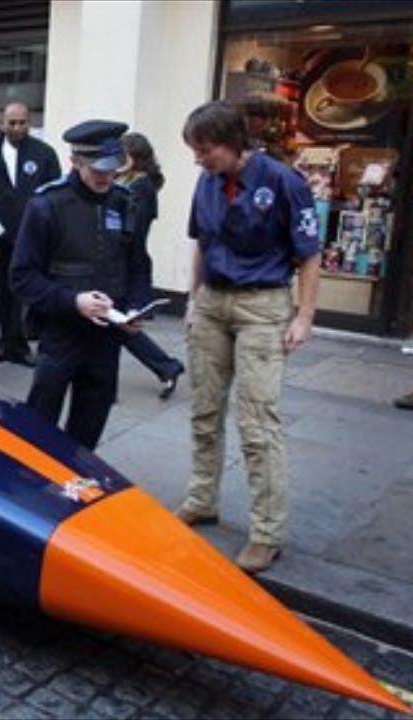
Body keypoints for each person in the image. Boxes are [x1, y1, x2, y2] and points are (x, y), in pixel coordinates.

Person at [174, 101, 322, 574]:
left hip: (263, 307)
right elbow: (202, 242)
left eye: (204, 149)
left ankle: (267, 532)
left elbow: (309, 254)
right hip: (213, 303)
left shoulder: (283, 181)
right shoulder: (207, 181)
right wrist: (193, 298)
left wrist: (304, 317)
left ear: (232, 142)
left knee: (257, 423)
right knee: (204, 410)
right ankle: (202, 499)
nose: (198, 159)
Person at [11, 120, 152, 450]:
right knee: (39, 428)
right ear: (75, 161)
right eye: (98, 169)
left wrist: (136, 305)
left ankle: (77, 479)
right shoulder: (47, 204)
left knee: (89, 428)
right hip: (61, 334)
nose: (106, 177)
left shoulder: (124, 201)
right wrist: (73, 301)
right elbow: (22, 276)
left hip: (106, 338)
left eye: (112, 169)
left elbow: (138, 264)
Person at [0, 102, 61, 367]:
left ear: (29, 123)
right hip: (0, 237)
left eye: (22, 122)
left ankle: (22, 344)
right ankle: (7, 343)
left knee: (28, 292)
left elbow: (54, 192)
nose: (17, 127)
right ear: (2, 123)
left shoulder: (43, 153)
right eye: (12, 123)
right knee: (3, 292)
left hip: (33, 235)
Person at [117, 132, 186, 399]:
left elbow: (134, 230)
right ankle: (166, 367)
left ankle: (167, 366)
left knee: (119, 325)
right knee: (116, 325)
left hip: (127, 264)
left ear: (135, 158)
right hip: (124, 262)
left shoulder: (140, 187)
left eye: (123, 154)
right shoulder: (129, 182)